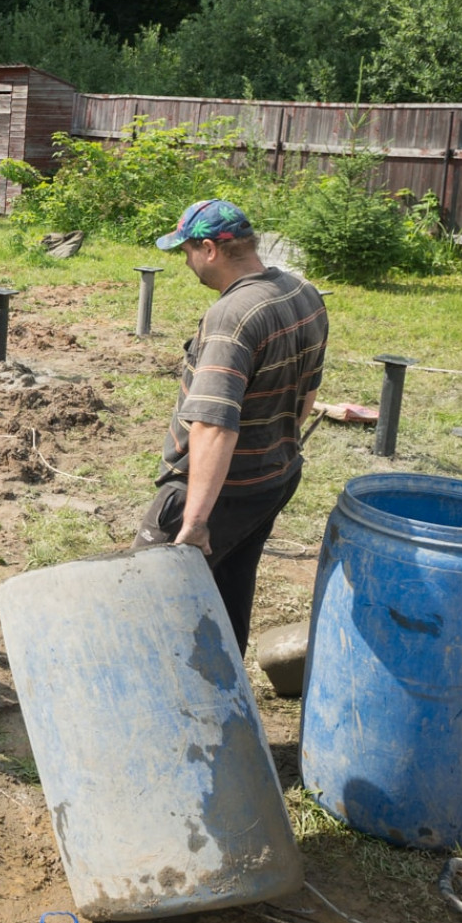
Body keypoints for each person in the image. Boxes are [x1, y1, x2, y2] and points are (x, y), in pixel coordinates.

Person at [133, 198, 328, 654]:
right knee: (229, 589)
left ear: (209, 249)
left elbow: (214, 426)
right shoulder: (302, 292)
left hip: (218, 491)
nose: (186, 263)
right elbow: (309, 388)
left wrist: (197, 520)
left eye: (185, 253)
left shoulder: (233, 317)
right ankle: (224, 696)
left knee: (147, 596)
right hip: (275, 476)